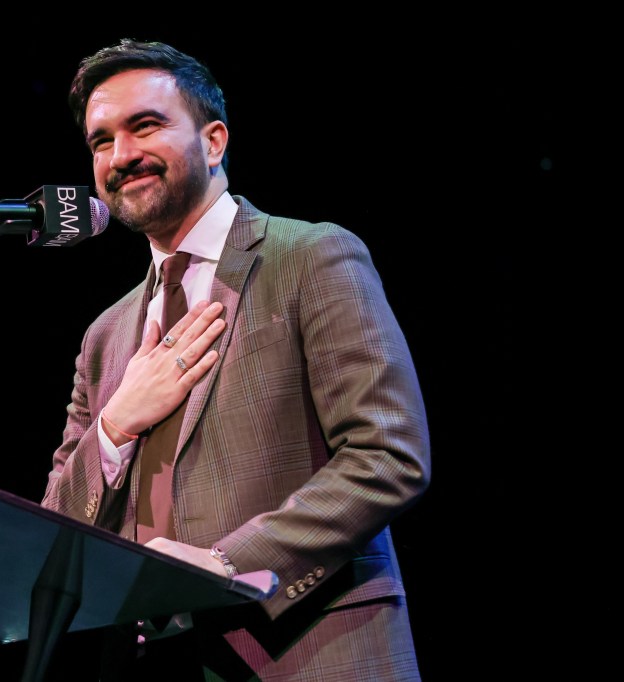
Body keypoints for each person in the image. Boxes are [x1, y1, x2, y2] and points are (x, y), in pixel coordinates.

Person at [40, 38, 430, 681]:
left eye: (146, 126)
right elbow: (54, 533)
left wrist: (227, 564)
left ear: (214, 140)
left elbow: (387, 455)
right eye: (101, 141)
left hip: (305, 651)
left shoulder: (310, 258)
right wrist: (115, 425)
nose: (121, 155)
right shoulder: (105, 336)